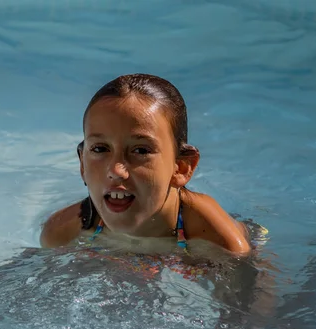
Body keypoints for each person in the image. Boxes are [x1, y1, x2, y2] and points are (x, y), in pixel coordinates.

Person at [40, 73, 253, 256]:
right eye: (99, 149)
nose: (116, 171)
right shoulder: (61, 233)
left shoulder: (220, 241)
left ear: (181, 167)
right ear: (82, 165)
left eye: (140, 150)